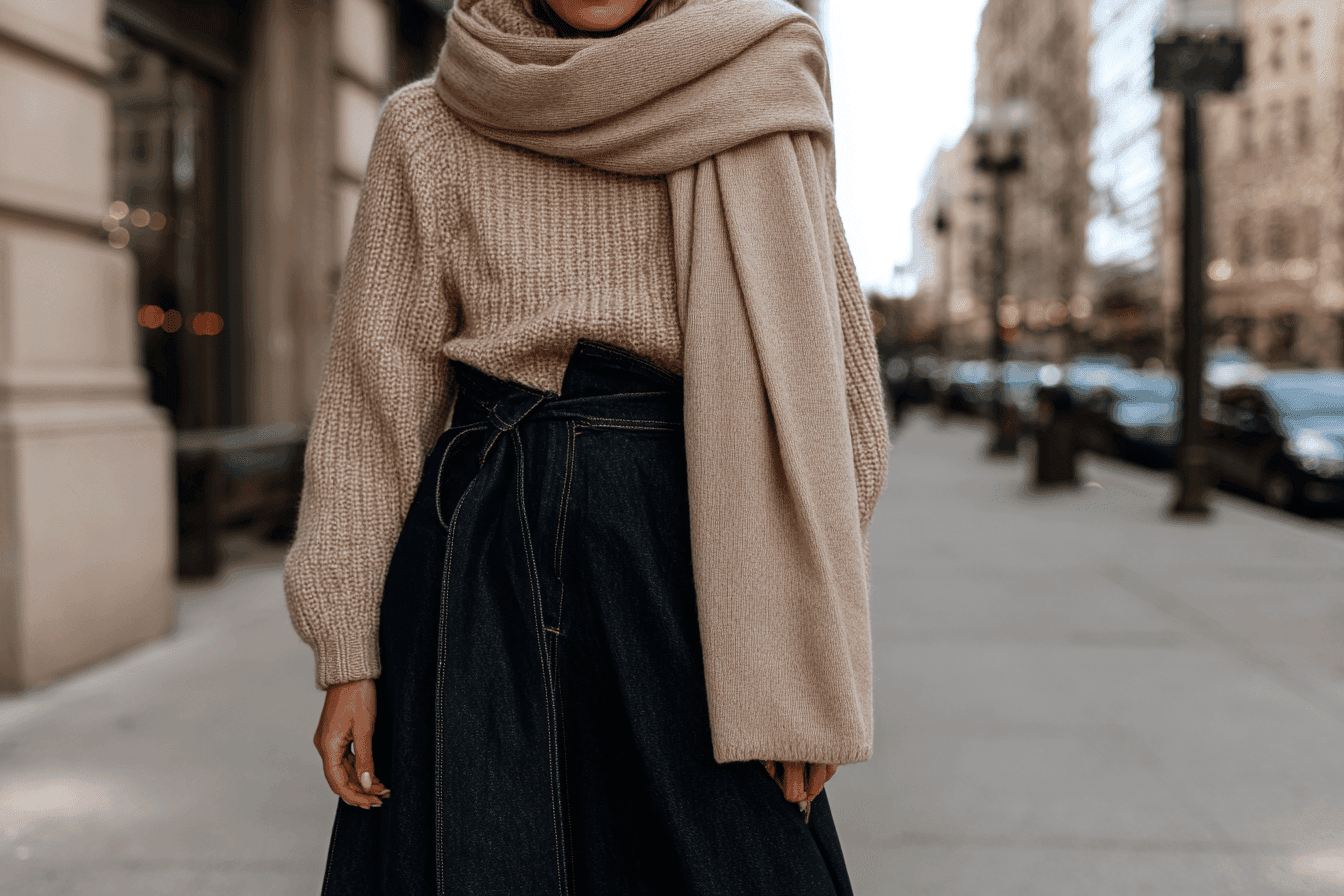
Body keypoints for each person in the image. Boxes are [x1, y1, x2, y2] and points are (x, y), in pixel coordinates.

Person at [282, 0, 889, 891]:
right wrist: (347, 655)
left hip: (696, 555)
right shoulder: (430, 122)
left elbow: (838, 410)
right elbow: (373, 404)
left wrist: (800, 663)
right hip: (478, 561)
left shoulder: (754, 85)